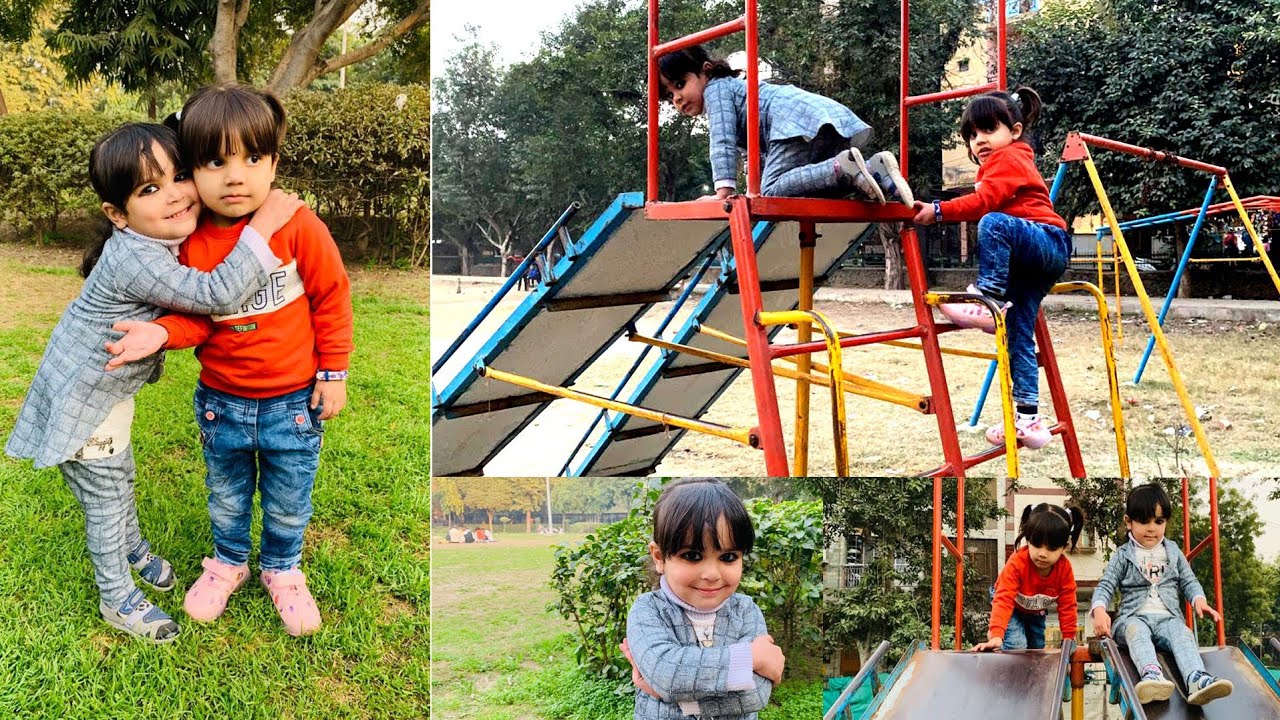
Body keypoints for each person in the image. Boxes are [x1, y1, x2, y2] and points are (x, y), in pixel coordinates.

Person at [4, 123, 301, 643]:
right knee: (106, 501)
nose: (175, 195)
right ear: (117, 214)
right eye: (149, 189)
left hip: (106, 395)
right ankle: (117, 597)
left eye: (180, 176)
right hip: (83, 403)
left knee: (122, 478)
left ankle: (133, 550)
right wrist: (264, 224)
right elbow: (215, 295)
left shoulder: (153, 243)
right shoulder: (136, 257)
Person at [105, 83, 353, 637]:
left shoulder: (298, 225)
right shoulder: (192, 243)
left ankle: (283, 571)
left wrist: (333, 372)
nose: (235, 177)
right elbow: (197, 318)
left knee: (289, 499)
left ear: (274, 163)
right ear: (192, 169)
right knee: (227, 496)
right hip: (223, 404)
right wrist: (160, 332)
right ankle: (228, 564)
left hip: (294, 403)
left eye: (253, 158)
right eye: (216, 162)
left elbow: (331, 296)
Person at [913, 87, 1069, 451]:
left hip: (1045, 240)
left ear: (1014, 131)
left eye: (988, 129)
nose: (979, 140)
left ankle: (988, 301)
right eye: (971, 134)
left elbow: (985, 202)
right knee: (1018, 338)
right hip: (1033, 261)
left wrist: (938, 211)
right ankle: (1029, 419)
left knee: (993, 222)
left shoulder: (1009, 157)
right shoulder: (1004, 160)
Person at [658, 45, 912, 206]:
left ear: (706, 70)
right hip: (818, 120)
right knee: (816, 191)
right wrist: (750, 190)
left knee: (771, 192)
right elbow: (751, 156)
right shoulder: (733, 93)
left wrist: (723, 193)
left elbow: (721, 141)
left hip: (791, 121)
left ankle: (843, 166)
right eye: (669, 95)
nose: (677, 98)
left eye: (680, 84)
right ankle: (874, 168)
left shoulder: (716, 90)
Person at [622, 479, 783, 720]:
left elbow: (756, 695)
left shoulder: (746, 611)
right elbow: (667, 673)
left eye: (728, 557)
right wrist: (749, 658)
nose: (711, 574)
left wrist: (682, 701)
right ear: (659, 557)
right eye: (692, 555)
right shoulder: (648, 610)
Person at [1090, 484, 1233, 706]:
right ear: (1129, 522)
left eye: (1158, 521)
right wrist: (1099, 609)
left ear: (1165, 522)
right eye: (1143, 521)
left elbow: (1189, 580)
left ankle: (1196, 678)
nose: (1151, 528)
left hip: (1168, 618)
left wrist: (1199, 600)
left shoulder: (1173, 551)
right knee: (1137, 632)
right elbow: (1106, 585)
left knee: (1182, 633)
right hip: (1133, 618)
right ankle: (1152, 675)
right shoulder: (1123, 555)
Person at [972, 503, 1084, 652]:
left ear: (1063, 547)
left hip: (1035, 610)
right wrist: (997, 634)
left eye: (1051, 548)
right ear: (1028, 540)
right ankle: (998, 637)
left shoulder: (1064, 570)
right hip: (1011, 604)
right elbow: (1004, 599)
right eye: (1037, 545)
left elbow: (1068, 606)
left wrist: (1068, 638)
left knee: (1036, 648)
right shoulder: (1018, 563)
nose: (1042, 554)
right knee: (1017, 645)